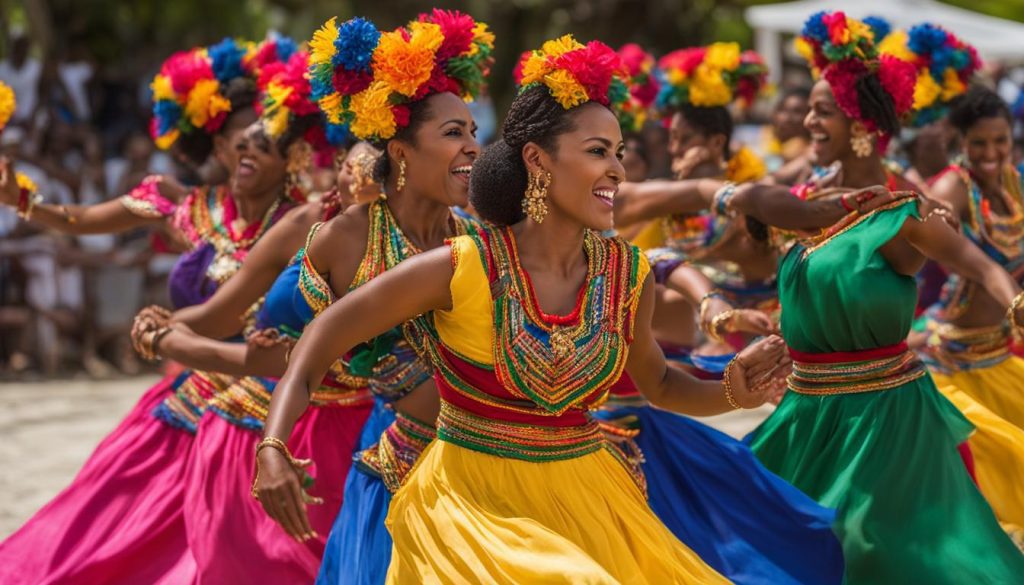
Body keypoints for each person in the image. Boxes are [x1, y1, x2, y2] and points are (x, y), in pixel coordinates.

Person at [260, 34, 791, 583]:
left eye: (618, 153)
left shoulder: (626, 273)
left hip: (591, 500)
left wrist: (730, 390)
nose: (617, 171)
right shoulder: (465, 265)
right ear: (537, 160)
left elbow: (659, 383)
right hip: (472, 504)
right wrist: (273, 445)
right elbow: (322, 335)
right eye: (596, 152)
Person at [0, 37, 302, 585]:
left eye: (264, 142)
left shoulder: (305, 225)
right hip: (186, 403)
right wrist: (21, 199)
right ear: (215, 148)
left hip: (268, 413)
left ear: (293, 155)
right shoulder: (184, 207)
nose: (248, 152)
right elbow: (79, 220)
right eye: (238, 142)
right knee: (104, 534)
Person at [739, 12, 1024, 582]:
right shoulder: (800, 203)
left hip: (883, 417)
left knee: (874, 550)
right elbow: (749, 204)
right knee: (773, 547)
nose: (807, 120)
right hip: (808, 413)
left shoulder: (902, 214)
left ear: (860, 125)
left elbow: (974, 259)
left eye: (823, 111)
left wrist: (1014, 303)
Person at [230, 13, 492, 585]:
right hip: (401, 478)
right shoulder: (348, 238)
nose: (473, 147)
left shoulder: (480, 238)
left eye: (473, 132)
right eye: (454, 134)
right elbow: (293, 343)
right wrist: (272, 445)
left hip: (492, 469)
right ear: (400, 151)